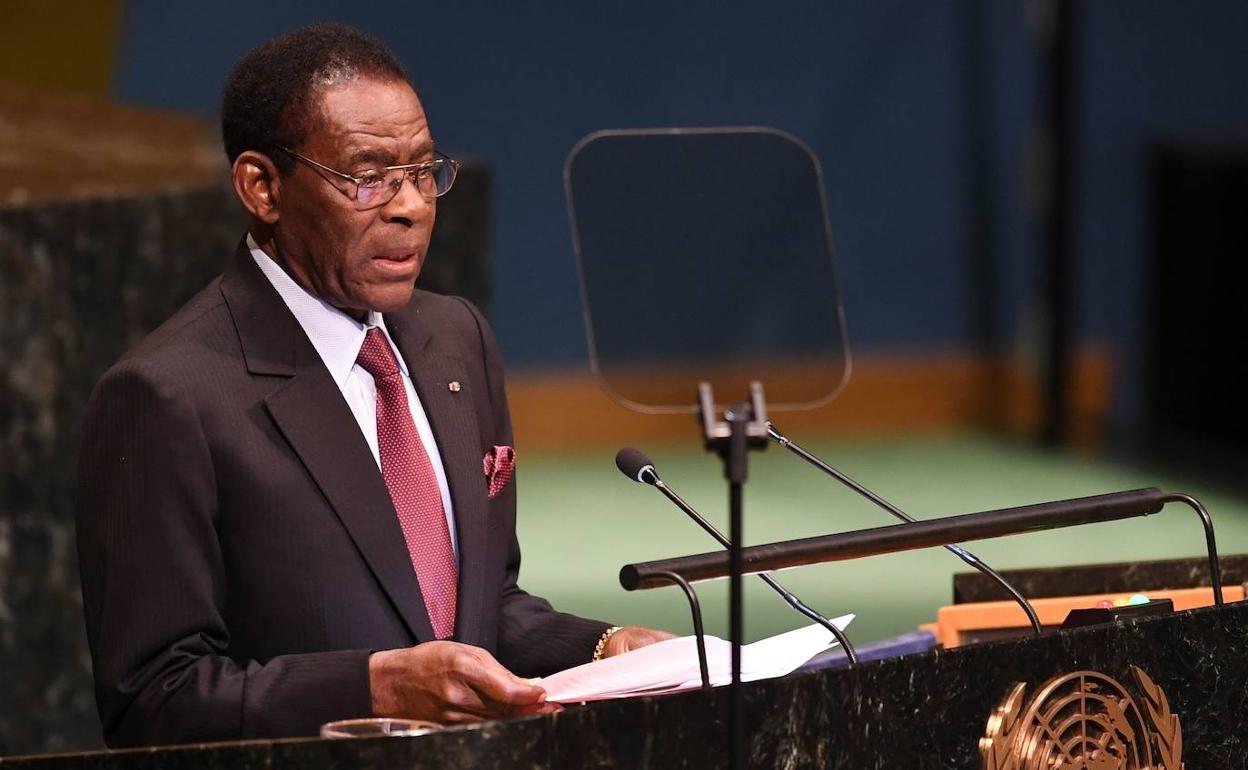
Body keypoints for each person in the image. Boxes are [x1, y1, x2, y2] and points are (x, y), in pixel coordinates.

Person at [76, 23, 671, 748]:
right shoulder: (167, 396)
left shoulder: (456, 339)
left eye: (423, 171)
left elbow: (479, 610)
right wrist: (377, 685)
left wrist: (605, 647)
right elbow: (154, 699)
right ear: (261, 187)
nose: (411, 206)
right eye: (368, 176)